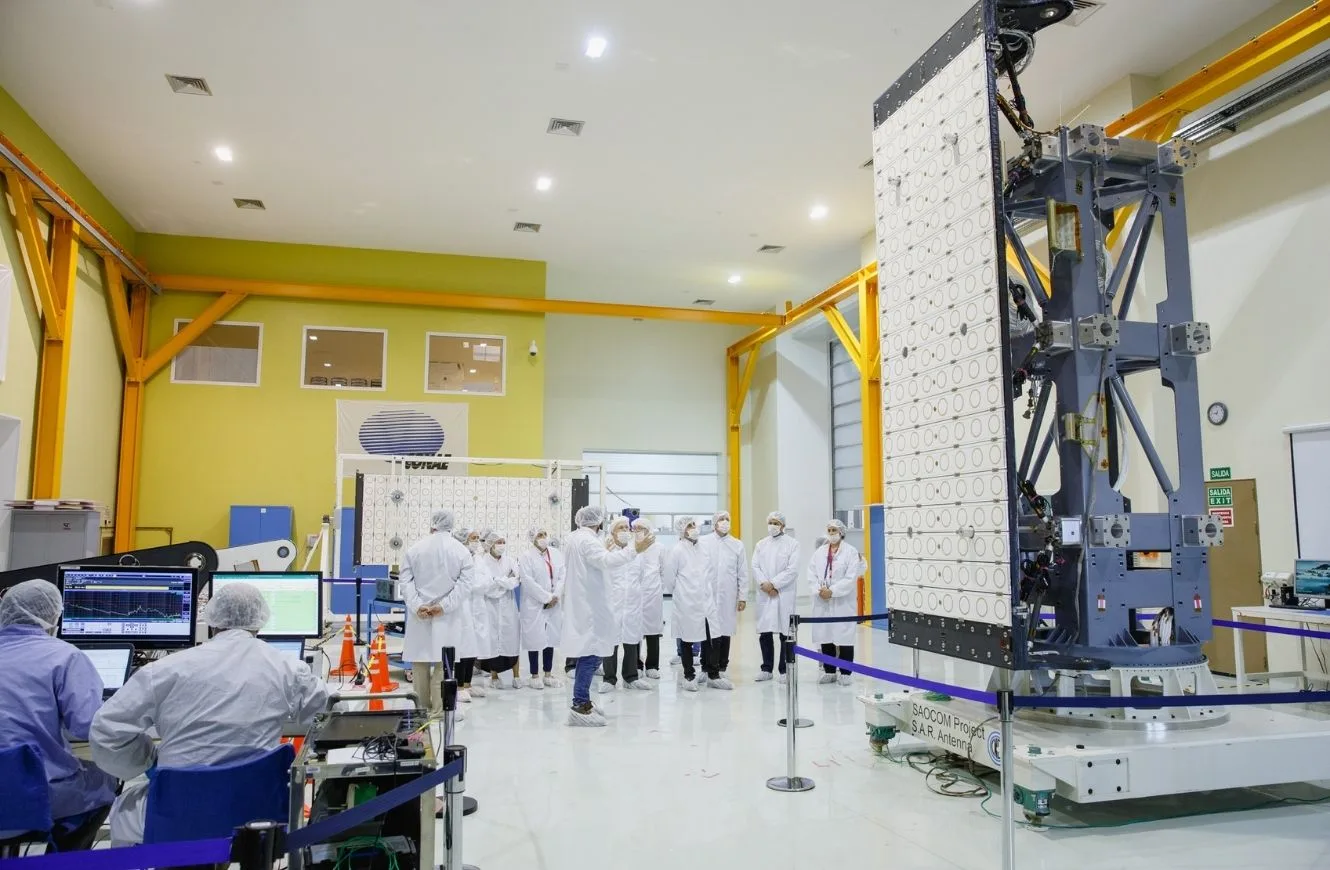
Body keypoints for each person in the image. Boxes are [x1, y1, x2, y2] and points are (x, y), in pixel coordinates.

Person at [91, 583, 326, 845]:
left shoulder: (163, 670)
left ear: (211, 621)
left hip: (178, 812)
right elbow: (327, 716)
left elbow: (106, 731)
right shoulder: (287, 667)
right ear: (260, 622)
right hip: (257, 810)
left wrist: (147, 760)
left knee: (123, 811)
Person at [0, 580, 118, 851]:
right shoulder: (64, 656)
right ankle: (62, 857)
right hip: (28, 798)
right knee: (105, 779)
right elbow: (88, 726)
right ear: (53, 615)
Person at [561, 506, 655, 726]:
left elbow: (593, 560)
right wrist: (635, 550)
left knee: (589, 652)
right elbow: (606, 561)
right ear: (599, 522)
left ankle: (584, 701)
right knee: (591, 654)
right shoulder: (588, 541)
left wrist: (605, 549)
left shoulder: (575, 538)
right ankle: (579, 705)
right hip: (590, 606)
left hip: (584, 603)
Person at [399, 509, 475, 713]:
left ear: (432, 524)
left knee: (420, 663)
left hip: (420, 615)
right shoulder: (461, 551)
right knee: (444, 664)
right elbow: (465, 585)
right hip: (447, 617)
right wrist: (443, 606)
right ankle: (440, 710)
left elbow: (405, 581)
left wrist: (418, 605)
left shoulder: (415, 549)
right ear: (451, 525)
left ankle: (421, 709)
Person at [665, 517, 729, 691]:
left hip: (706, 600)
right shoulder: (677, 550)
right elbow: (669, 579)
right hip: (687, 602)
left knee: (713, 637)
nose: (693, 528)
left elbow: (709, 572)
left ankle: (713, 674)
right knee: (687, 639)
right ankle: (689, 676)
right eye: (689, 526)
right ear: (682, 530)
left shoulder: (703, 548)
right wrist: (682, 594)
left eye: (694, 524)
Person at [602, 517, 652, 693]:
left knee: (631, 641)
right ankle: (609, 679)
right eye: (620, 528)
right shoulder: (607, 554)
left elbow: (641, 576)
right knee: (610, 641)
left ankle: (631, 677)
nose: (624, 530)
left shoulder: (637, 553)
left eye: (626, 527)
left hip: (632, 604)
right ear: (612, 532)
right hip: (612, 604)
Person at [808, 519, 861, 686]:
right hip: (822, 600)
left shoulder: (850, 552)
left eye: (834, 530)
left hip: (842, 601)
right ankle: (829, 671)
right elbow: (811, 573)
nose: (831, 533)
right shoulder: (820, 552)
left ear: (841, 532)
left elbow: (851, 577)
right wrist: (819, 590)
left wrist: (833, 591)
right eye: (829, 530)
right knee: (825, 636)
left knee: (844, 638)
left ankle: (845, 673)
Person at [751, 511, 801, 683]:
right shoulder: (761, 544)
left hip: (783, 593)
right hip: (765, 594)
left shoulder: (792, 544)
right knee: (765, 632)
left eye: (776, 522)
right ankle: (766, 669)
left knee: (785, 633)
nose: (772, 525)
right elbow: (755, 566)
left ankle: (784, 670)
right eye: (770, 522)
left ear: (783, 526)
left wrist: (774, 584)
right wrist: (764, 584)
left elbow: (792, 570)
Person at [698, 509, 746, 680]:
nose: (725, 522)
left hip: (728, 594)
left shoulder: (737, 544)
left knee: (725, 629)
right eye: (721, 519)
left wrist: (742, 597)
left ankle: (722, 665)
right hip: (707, 593)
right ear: (714, 523)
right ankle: (705, 666)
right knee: (707, 630)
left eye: (727, 519)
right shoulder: (703, 542)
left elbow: (742, 572)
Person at [518, 527, 564, 690]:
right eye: (539, 535)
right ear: (533, 538)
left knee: (549, 638)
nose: (543, 537)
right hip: (534, 603)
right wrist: (546, 597)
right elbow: (528, 581)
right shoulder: (526, 557)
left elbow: (562, 576)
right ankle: (534, 675)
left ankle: (548, 674)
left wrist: (555, 595)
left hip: (554, 602)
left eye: (544, 534)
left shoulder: (556, 554)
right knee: (534, 639)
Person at [476, 531, 521, 689]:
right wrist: (504, 581)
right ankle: (494, 676)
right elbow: (485, 586)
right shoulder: (482, 562)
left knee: (512, 639)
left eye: (503, 541)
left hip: (508, 605)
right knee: (492, 641)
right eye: (498, 542)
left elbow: (516, 580)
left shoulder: (510, 561)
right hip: (490, 605)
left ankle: (516, 676)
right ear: (490, 544)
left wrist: (497, 581)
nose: (501, 545)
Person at [632, 519, 666, 679]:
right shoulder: (631, 547)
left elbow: (664, 571)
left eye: (641, 528)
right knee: (634, 631)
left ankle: (652, 665)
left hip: (653, 594)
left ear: (648, 530)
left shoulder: (659, 547)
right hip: (634, 595)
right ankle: (636, 665)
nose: (638, 531)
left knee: (653, 631)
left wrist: (658, 588)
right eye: (635, 528)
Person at [465, 527, 495, 697]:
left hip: (478, 604)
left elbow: (488, 580)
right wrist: (477, 586)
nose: (476, 541)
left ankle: (468, 684)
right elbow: (463, 583)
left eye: (478, 538)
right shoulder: (459, 556)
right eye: (473, 538)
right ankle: (460, 686)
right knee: (463, 647)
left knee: (474, 646)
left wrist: (477, 586)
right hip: (464, 605)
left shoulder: (479, 559)